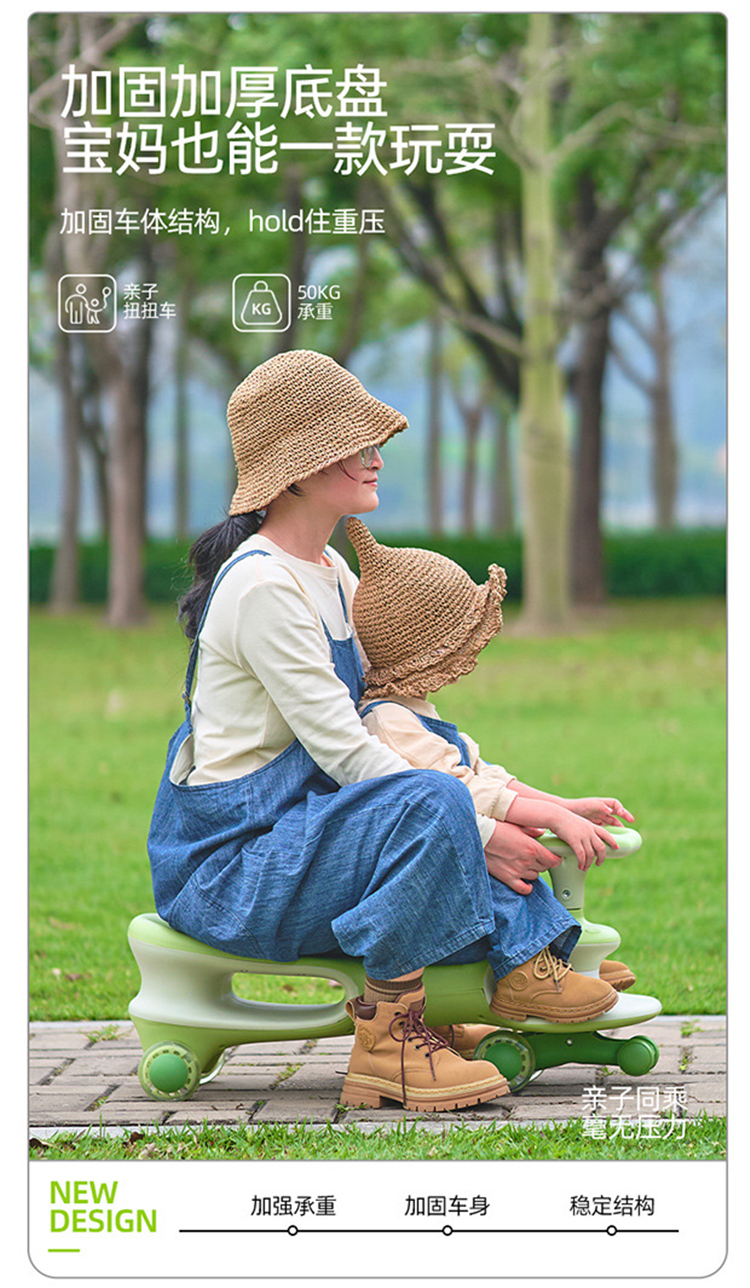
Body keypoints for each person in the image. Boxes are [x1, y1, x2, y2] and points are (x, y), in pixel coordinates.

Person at [147, 349, 618, 1115]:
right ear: (294, 472)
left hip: (303, 834)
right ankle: (390, 1044)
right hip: (234, 866)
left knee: (430, 793)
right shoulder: (263, 585)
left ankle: (513, 969)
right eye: (352, 443)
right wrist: (481, 829)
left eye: (372, 440)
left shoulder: (330, 571)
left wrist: (523, 801)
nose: (375, 456)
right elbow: (349, 755)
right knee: (427, 804)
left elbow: (391, 731)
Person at [345, 516, 638, 993]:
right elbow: (462, 789)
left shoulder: (414, 709)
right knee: (505, 874)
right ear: (430, 649)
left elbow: (486, 774)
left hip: (462, 831)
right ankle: (530, 972)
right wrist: (552, 819)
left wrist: (563, 806)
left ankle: (554, 954)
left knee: (518, 865)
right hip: (440, 854)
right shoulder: (389, 722)